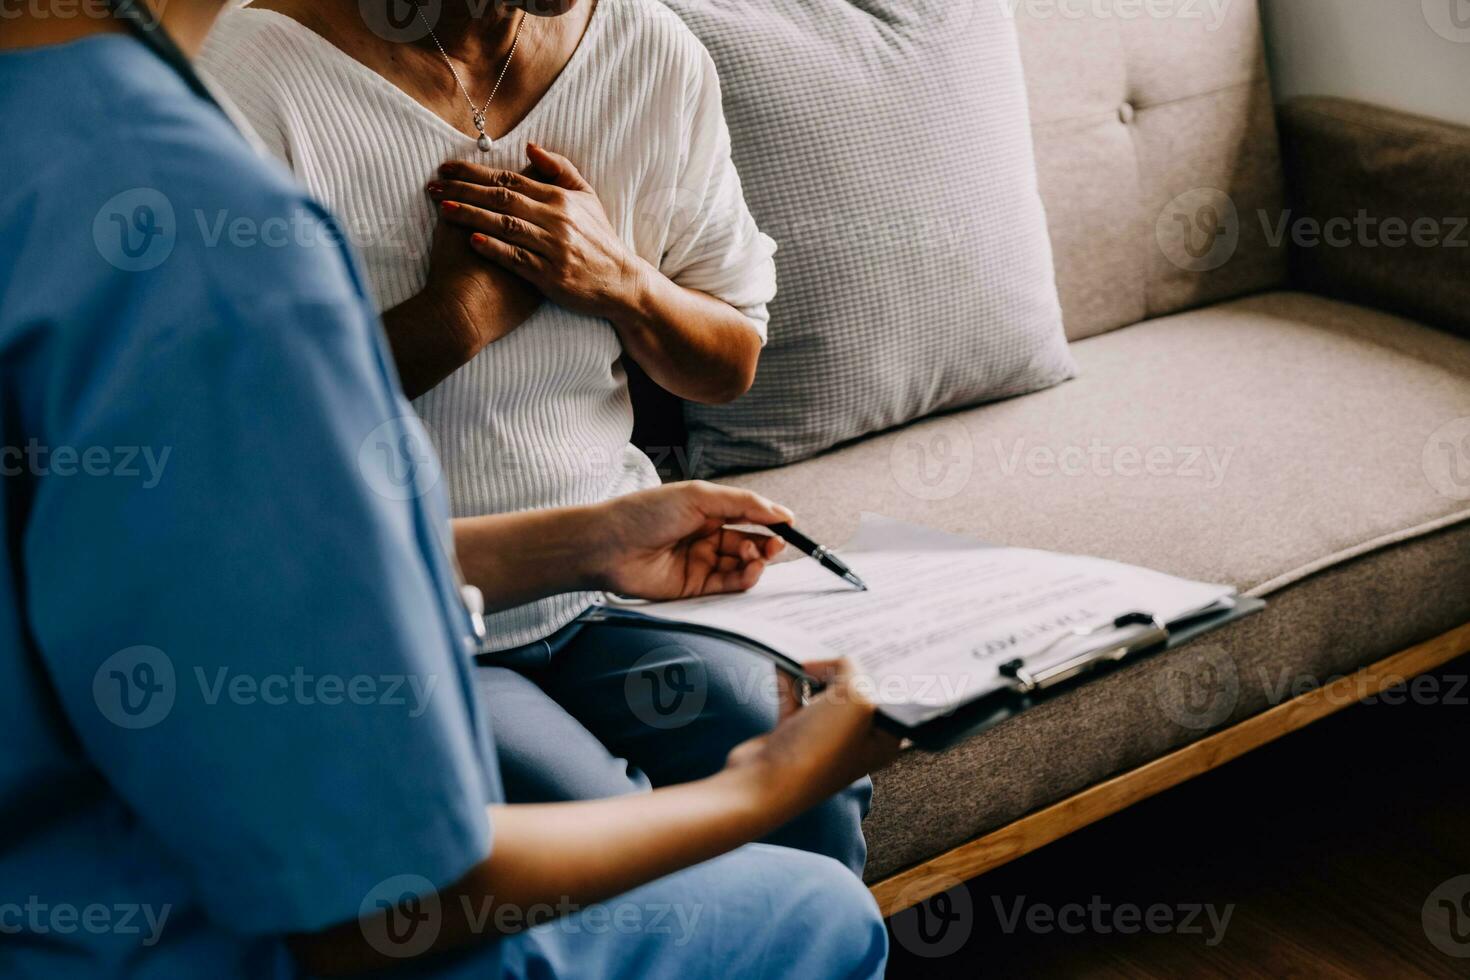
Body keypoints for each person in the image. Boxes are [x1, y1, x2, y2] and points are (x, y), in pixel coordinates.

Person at [0, 3, 898, 978]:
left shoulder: (66, 133)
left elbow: (204, 542)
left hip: (589, 595)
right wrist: (752, 794)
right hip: (331, 781)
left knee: (789, 748)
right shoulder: (218, 189)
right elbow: (377, 891)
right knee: (805, 903)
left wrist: (595, 506)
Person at [196, 0, 872, 874]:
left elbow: (730, 360)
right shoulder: (248, 74)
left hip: (619, 584)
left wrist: (622, 281)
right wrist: (457, 318)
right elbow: (239, 431)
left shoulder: (651, 51)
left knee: (808, 756)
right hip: (405, 615)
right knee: (604, 833)